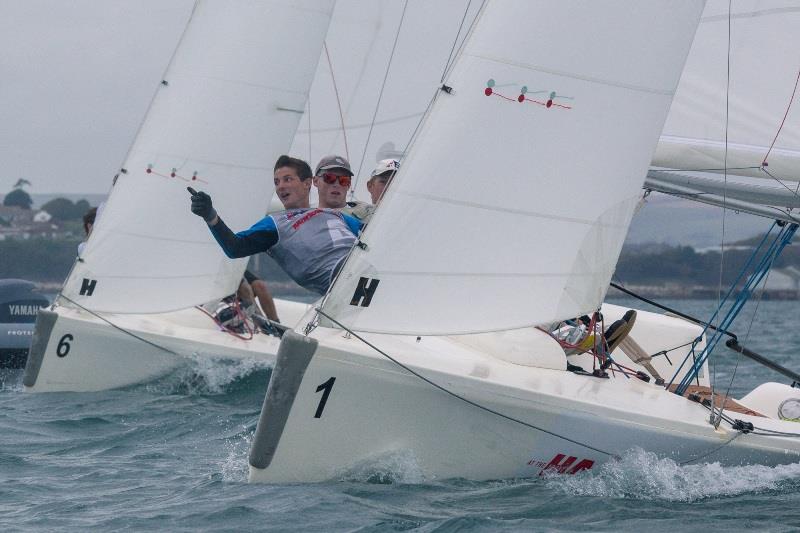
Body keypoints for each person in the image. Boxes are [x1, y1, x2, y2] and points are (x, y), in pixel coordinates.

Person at [189, 155, 363, 296]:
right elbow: (234, 248)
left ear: (307, 183)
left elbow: (371, 237)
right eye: (277, 182)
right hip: (341, 280)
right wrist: (210, 215)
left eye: (287, 179)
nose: (281, 186)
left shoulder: (336, 215)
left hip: (364, 267)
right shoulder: (275, 224)